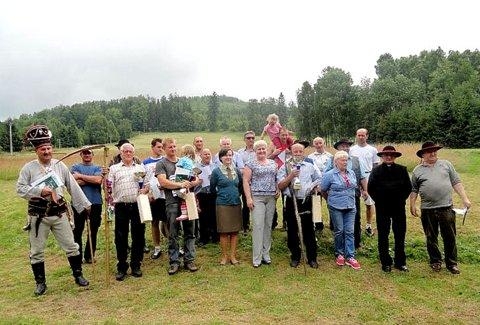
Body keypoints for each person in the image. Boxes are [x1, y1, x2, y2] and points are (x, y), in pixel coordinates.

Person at [17, 125, 90, 295]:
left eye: (49, 148)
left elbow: (72, 186)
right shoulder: (28, 168)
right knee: (36, 251)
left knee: (72, 246)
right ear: (37, 150)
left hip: (59, 213)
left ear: (52, 149)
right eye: (43, 149)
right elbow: (20, 189)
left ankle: (78, 275)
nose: (47, 151)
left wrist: (84, 205)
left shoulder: (60, 166)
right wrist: (40, 191)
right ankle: (40, 283)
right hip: (38, 215)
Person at [409, 141, 471, 274]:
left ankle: (451, 263)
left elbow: (456, 182)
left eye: (435, 150)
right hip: (427, 209)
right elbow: (414, 189)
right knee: (431, 237)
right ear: (423, 155)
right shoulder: (417, 170)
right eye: (429, 151)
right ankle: (435, 261)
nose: (433, 153)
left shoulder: (446, 164)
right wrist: (412, 205)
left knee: (450, 236)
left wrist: (465, 198)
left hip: (446, 207)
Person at [156, 138, 201, 275]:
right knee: (173, 233)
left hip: (187, 200)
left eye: (175, 146)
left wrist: (191, 183)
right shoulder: (161, 164)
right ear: (164, 148)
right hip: (172, 202)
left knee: (190, 231)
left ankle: (189, 260)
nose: (173, 149)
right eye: (170, 147)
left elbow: (197, 178)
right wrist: (180, 184)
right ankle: (174, 262)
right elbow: (163, 182)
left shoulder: (184, 161)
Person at [368, 146, 412, 272]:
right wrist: (380, 201)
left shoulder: (402, 170)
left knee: (400, 235)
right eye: (386, 155)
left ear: (395, 157)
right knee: (383, 235)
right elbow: (371, 188)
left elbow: (407, 188)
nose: (388, 157)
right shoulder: (376, 171)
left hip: (398, 207)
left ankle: (400, 262)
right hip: (382, 208)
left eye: (391, 155)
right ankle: (385, 262)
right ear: (382, 156)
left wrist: (400, 199)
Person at [108, 142, 147, 281]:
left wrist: (145, 190)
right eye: (125, 151)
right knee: (120, 237)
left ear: (133, 153)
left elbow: (146, 185)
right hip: (121, 206)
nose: (128, 154)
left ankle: (136, 265)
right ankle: (122, 267)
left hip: (137, 206)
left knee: (138, 236)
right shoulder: (114, 169)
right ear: (121, 153)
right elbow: (108, 186)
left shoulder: (141, 168)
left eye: (131, 151)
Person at [278, 143, 321, 268]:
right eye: (295, 151)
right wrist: (291, 176)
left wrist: (313, 187)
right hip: (292, 201)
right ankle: (295, 256)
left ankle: (312, 258)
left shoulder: (310, 164)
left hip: (306, 201)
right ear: (291, 152)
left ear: (303, 152)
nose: (297, 154)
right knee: (292, 229)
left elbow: (319, 178)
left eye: (300, 151)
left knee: (309, 229)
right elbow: (280, 185)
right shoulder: (285, 166)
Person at [321, 150, 361, 270]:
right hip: (336, 206)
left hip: (350, 206)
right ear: (336, 162)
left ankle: (350, 256)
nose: (345, 162)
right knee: (339, 230)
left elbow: (354, 187)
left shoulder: (352, 173)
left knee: (349, 231)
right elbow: (323, 189)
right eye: (342, 160)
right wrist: (330, 201)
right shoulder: (329, 174)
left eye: (347, 160)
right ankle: (339, 253)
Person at [325, 139, 367, 249]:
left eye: (347, 146)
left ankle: (356, 244)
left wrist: (365, 190)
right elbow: (326, 177)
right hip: (336, 197)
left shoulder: (356, 160)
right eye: (342, 146)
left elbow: (362, 176)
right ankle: (339, 245)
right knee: (338, 223)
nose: (345, 148)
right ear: (338, 148)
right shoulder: (331, 160)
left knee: (355, 219)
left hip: (353, 194)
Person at [243, 140, 278, 268]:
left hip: (271, 197)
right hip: (257, 197)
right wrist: (248, 198)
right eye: (259, 149)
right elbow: (246, 181)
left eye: (263, 149)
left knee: (268, 226)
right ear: (255, 151)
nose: (262, 151)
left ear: (266, 150)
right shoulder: (250, 164)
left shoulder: (273, 163)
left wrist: (278, 189)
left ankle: (266, 254)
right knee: (258, 226)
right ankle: (256, 257)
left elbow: (276, 179)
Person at [210, 148, 243, 265]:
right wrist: (222, 195)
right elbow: (212, 188)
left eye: (230, 155)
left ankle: (233, 256)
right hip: (222, 204)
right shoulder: (216, 172)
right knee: (224, 232)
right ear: (220, 158)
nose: (228, 157)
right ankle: (224, 256)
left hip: (235, 203)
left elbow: (240, 187)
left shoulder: (237, 171)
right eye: (225, 155)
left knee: (234, 231)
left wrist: (235, 195)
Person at [71, 147, 103, 264]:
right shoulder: (75, 167)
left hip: (95, 202)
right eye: (84, 153)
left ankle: (89, 256)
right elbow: (73, 182)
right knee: (77, 231)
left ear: (92, 154)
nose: (87, 155)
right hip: (78, 202)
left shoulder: (98, 167)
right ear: (81, 154)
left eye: (89, 153)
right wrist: (91, 179)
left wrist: (80, 176)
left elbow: (98, 180)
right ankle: (77, 257)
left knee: (93, 230)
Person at [349, 128, 380, 236]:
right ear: (356, 136)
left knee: (369, 203)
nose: (361, 137)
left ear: (367, 136)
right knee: (354, 202)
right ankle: (355, 225)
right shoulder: (352, 149)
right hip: (354, 177)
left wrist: (373, 179)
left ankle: (368, 225)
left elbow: (376, 165)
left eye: (363, 135)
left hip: (368, 176)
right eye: (359, 135)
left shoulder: (373, 150)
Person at [142, 138, 166, 260]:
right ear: (152, 148)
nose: (160, 149)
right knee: (155, 221)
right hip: (153, 197)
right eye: (158, 147)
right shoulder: (145, 162)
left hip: (165, 195)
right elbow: (144, 181)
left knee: (168, 221)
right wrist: (147, 193)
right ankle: (157, 247)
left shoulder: (166, 160)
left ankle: (174, 243)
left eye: (162, 147)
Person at [307, 136, 333, 232]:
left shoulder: (330, 156)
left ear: (324, 143)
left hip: (329, 184)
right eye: (316, 143)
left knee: (331, 203)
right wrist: (314, 185)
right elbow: (310, 171)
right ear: (313, 145)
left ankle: (333, 224)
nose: (318, 145)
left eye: (320, 143)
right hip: (316, 184)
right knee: (317, 204)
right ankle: (318, 226)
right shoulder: (310, 157)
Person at [195, 148, 218, 246]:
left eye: (209, 154)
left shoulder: (215, 166)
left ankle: (215, 236)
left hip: (213, 194)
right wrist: (198, 181)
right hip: (202, 194)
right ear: (201, 156)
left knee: (214, 215)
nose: (207, 156)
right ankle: (203, 238)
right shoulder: (196, 167)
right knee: (203, 216)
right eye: (205, 154)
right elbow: (192, 179)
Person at [238, 131, 256, 232]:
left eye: (252, 138)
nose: (251, 140)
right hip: (244, 182)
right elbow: (239, 167)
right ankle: (245, 226)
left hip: (256, 182)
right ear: (244, 139)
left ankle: (257, 225)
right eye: (248, 138)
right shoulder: (240, 152)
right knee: (245, 204)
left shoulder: (258, 150)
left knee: (256, 204)